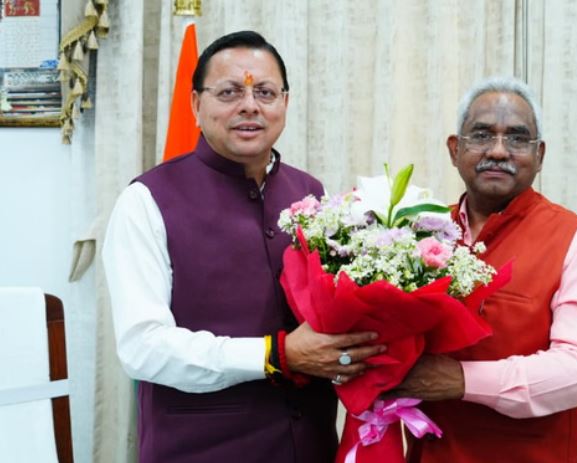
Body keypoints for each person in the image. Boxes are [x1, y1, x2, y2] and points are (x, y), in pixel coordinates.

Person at [102, 31, 384, 463]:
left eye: (265, 93)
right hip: (200, 450)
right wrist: (274, 356)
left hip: (309, 445)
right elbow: (144, 347)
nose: (250, 106)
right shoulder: (147, 200)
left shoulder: (311, 194)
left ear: (285, 103)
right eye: (229, 92)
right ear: (196, 104)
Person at [389, 76, 577, 463]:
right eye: (481, 135)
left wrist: (461, 380)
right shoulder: (420, 234)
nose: (498, 151)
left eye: (517, 138)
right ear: (455, 149)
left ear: (540, 155)